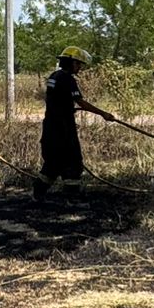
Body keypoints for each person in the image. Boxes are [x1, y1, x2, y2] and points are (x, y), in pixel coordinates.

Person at [34, 46, 114, 201]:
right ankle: (72, 199)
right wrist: (103, 114)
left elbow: (56, 99)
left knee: (53, 162)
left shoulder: (54, 76)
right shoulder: (67, 79)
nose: (79, 68)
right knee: (73, 162)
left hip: (50, 126)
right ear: (70, 62)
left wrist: (66, 107)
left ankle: (38, 194)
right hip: (63, 128)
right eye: (78, 64)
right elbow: (81, 102)